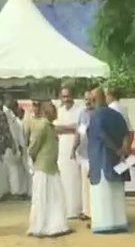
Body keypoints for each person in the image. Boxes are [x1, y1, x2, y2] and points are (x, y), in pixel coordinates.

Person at [87, 87, 133, 234]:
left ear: (94, 100)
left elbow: (101, 136)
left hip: (101, 159)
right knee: (117, 193)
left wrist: (115, 148)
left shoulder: (95, 116)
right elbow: (127, 133)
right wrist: (123, 150)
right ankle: (119, 223)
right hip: (117, 160)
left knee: (103, 193)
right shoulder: (117, 115)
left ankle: (104, 224)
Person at [26, 102, 70, 237]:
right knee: (42, 198)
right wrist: (33, 159)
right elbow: (33, 146)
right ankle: (39, 227)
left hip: (51, 167)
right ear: (45, 112)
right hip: (43, 167)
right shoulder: (42, 125)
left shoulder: (49, 126)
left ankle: (55, 226)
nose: (54, 112)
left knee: (55, 198)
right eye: (52, 110)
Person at [55, 87, 84, 218]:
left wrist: (66, 128)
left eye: (68, 96)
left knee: (75, 178)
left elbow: (80, 128)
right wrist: (70, 127)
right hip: (62, 146)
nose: (66, 99)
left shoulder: (79, 110)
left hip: (75, 146)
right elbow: (55, 128)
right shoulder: (59, 111)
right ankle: (67, 209)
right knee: (64, 178)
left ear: (73, 96)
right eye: (64, 96)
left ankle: (77, 209)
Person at [72, 91, 94, 219]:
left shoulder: (98, 113)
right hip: (83, 152)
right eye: (85, 99)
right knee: (85, 184)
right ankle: (86, 211)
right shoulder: (82, 113)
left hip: (94, 153)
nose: (87, 102)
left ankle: (94, 211)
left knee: (93, 184)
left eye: (90, 99)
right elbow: (78, 132)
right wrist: (73, 148)